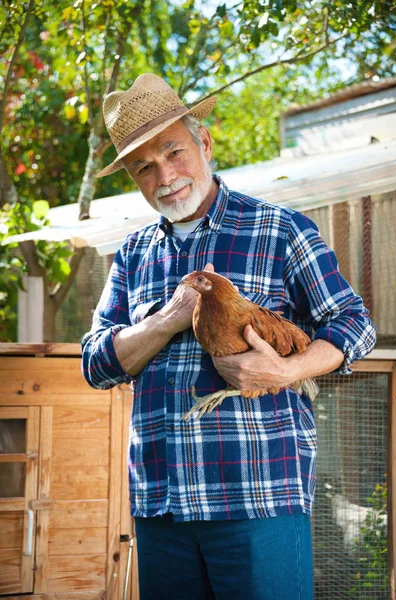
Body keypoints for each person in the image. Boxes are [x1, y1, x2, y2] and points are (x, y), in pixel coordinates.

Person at [81, 73, 376, 600]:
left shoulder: (281, 230)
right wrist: (168, 319)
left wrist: (286, 370)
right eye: (144, 166)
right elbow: (96, 363)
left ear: (205, 143)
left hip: (257, 496)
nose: (165, 174)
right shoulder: (131, 255)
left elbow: (354, 323)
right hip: (162, 504)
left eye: (174, 151)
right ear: (133, 178)